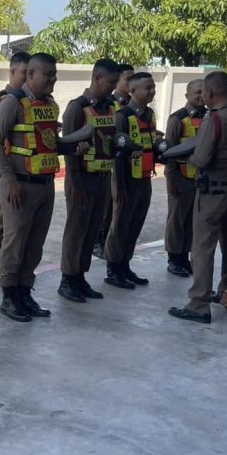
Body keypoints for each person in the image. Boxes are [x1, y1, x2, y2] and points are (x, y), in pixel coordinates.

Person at [168, 70, 227, 324]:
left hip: (212, 191)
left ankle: (198, 304)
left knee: (202, 248)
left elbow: (202, 158)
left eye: (203, 91)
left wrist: (182, 155)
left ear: (211, 92)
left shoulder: (213, 119)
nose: (202, 96)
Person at [0, 52, 61, 322]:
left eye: (54, 75)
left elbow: (47, 142)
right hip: (19, 185)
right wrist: (7, 178)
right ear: (30, 75)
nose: (53, 80)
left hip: (45, 183)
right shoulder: (11, 103)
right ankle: (9, 296)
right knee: (14, 242)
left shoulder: (50, 105)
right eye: (48, 75)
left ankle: (24, 292)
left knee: (34, 243)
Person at [57, 59, 119, 302]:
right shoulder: (77, 108)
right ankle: (67, 279)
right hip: (81, 178)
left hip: (103, 177)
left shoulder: (110, 106)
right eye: (111, 82)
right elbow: (69, 149)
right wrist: (75, 183)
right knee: (76, 230)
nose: (113, 87)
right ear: (97, 78)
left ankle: (80, 277)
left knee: (93, 229)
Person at [104, 72, 158, 289]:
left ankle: (125, 266)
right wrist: (121, 188)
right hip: (126, 179)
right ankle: (113, 269)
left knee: (135, 225)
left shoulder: (149, 114)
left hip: (144, 178)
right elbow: (117, 154)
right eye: (147, 88)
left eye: (153, 87)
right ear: (133, 90)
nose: (152, 91)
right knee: (120, 225)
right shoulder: (123, 116)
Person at [0, 51, 30, 275]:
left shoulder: (32, 102)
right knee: (4, 221)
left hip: (25, 173)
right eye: (24, 73)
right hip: (5, 172)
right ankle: (0, 266)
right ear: (13, 72)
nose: (28, 78)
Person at [163, 79, 205, 277]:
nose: (201, 96)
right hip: (181, 177)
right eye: (197, 92)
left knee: (192, 221)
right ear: (187, 95)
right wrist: (171, 179)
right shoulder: (178, 118)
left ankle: (184, 257)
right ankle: (173, 259)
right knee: (177, 220)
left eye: (204, 92)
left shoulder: (209, 117)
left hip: (200, 179)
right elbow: (168, 151)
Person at [93, 63, 134, 259]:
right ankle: (99, 241)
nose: (130, 83)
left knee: (118, 207)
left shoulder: (132, 104)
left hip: (126, 162)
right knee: (107, 207)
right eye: (127, 79)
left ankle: (110, 241)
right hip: (108, 162)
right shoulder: (109, 103)